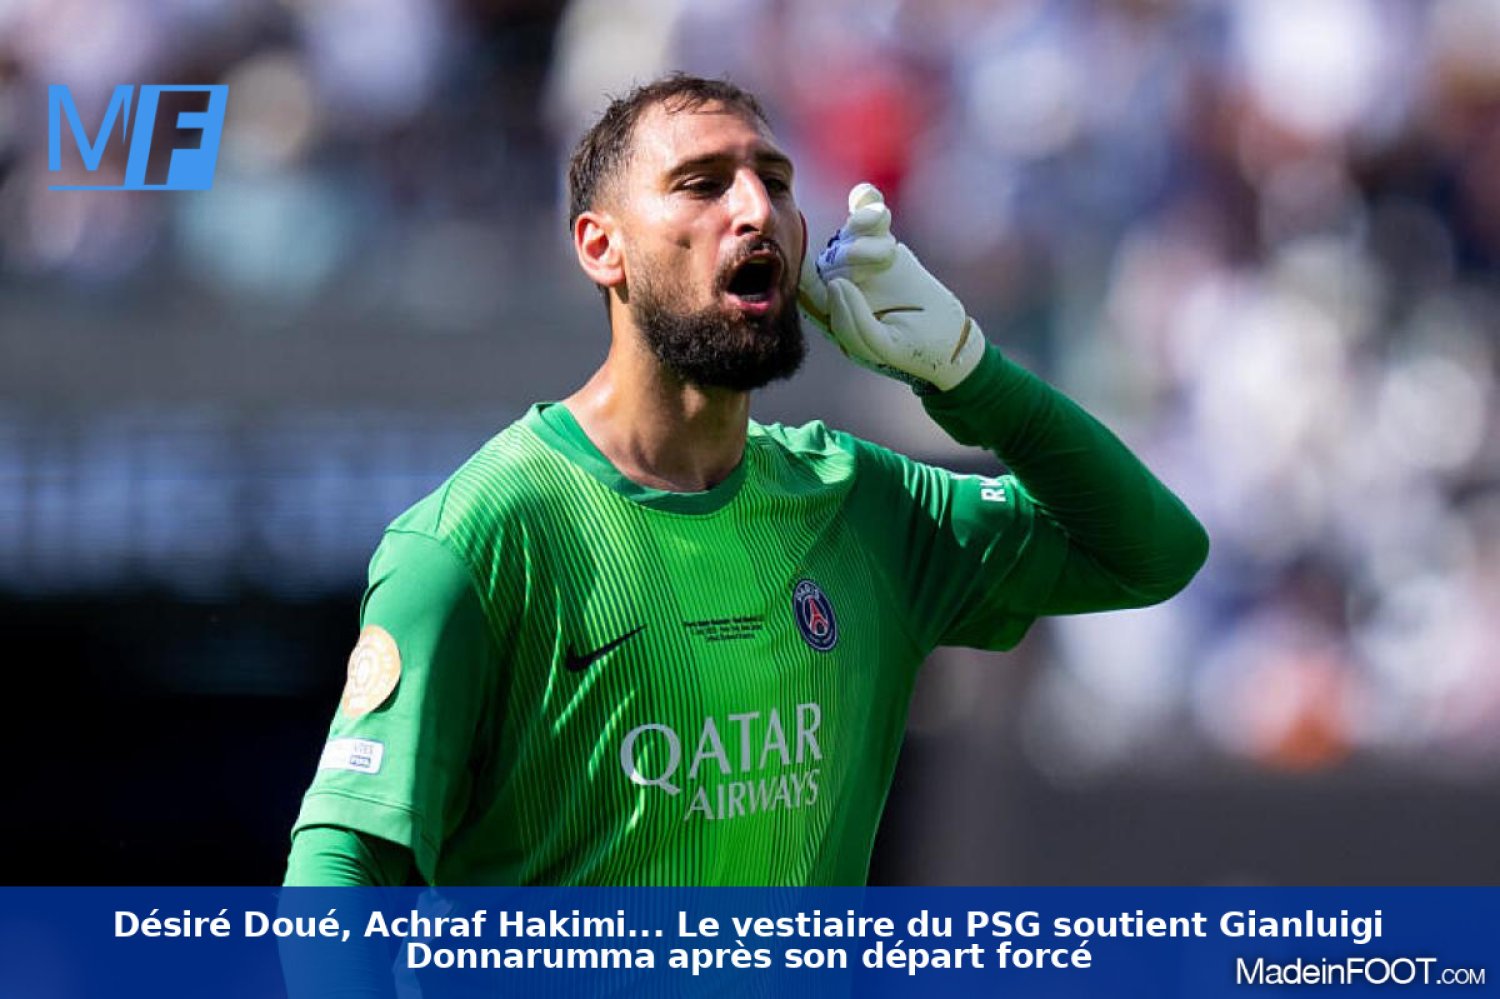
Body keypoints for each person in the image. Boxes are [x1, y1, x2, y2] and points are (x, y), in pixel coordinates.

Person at [283, 74, 1208, 889]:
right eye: (702, 184)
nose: (756, 209)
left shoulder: (857, 502)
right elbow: (340, 868)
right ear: (601, 247)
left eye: (775, 180)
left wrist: (971, 373)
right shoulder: (476, 537)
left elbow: (1152, 553)